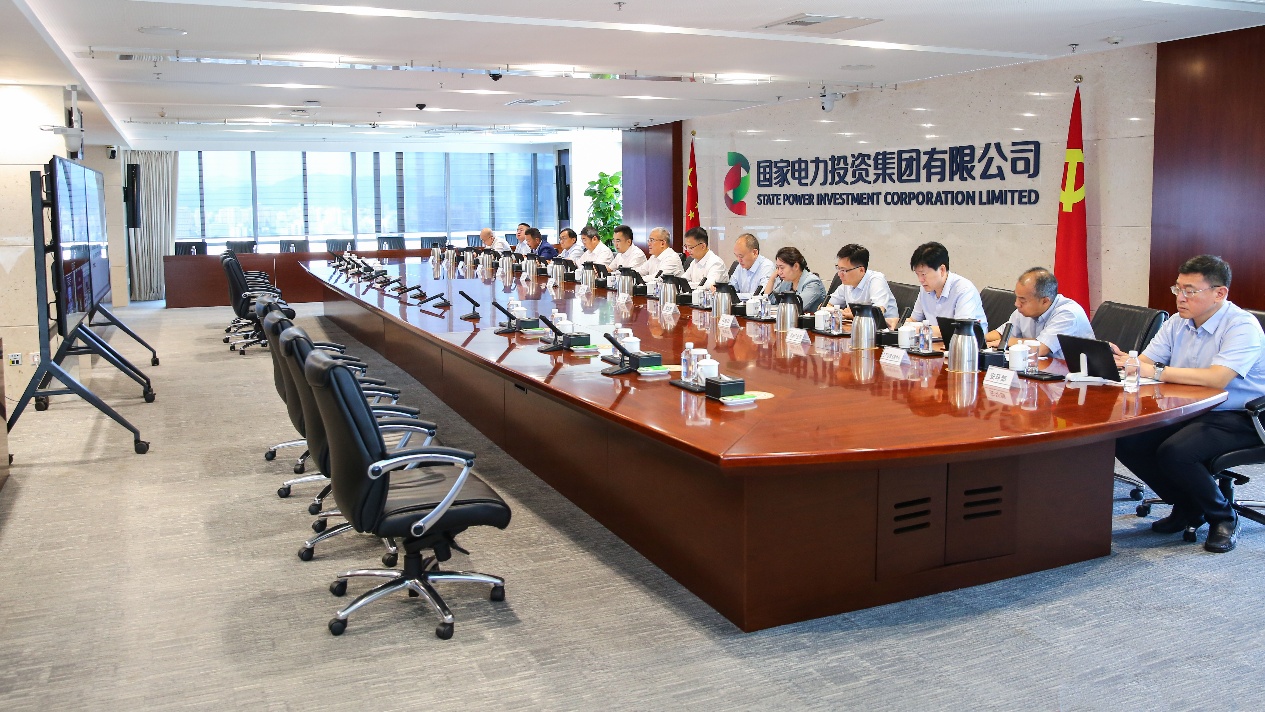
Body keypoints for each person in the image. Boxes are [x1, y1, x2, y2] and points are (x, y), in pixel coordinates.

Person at [1113, 255, 1265, 553]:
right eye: (1178, 289)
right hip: (1191, 409)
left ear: (1219, 293)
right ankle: (1188, 506)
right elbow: (1144, 362)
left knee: (1177, 452)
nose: (1181, 297)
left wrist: (1156, 371)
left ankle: (1223, 516)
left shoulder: (1241, 326)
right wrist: (1124, 362)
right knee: (1127, 440)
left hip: (1243, 414)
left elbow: (1218, 378)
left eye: (1190, 291)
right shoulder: (1178, 322)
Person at [985, 267, 1094, 358]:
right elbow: (1001, 334)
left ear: (1045, 301)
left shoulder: (1068, 313)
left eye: (1022, 300)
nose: (1016, 304)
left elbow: (1040, 349)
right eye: (1016, 297)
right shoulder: (1023, 311)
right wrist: (980, 339)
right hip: (1040, 370)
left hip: (1072, 374)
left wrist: (1007, 342)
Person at [907, 241, 988, 335]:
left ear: (942, 270)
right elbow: (914, 320)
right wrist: (899, 323)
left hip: (968, 342)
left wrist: (920, 328)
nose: (920, 280)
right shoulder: (925, 288)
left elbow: (960, 330)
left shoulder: (964, 289)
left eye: (923, 274)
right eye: (917, 274)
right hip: (936, 341)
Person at [828, 243, 899, 328]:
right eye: (838, 268)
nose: (839, 274)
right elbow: (827, 305)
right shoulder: (847, 283)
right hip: (857, 327)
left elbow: (877, 314)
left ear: (861, 270)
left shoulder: (876, 280)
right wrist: (839, 312)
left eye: (844, 270)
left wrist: (854, 314)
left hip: (883, 330)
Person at [765, 246, 826, 313]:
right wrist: (772, 279)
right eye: (777, 268)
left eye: (782, 268)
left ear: (796, 266)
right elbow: (769, 301)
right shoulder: (787, 282)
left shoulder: (812, 283)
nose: (779, 272)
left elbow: (796, 308)